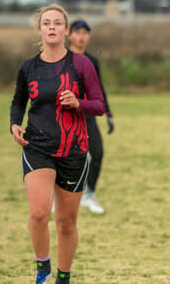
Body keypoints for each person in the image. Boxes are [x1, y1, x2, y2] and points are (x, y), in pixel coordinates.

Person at [10, 4, 105, 284]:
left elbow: (99, 105)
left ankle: (63, 277)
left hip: (74, 150)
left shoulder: (81, 65)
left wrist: (79, 103)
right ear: (39, 30)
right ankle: (42, 269)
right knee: (39, 213)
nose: (52, 27)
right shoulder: (29, 67)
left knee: (66, 223)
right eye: (47, 23)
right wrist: (14, 124)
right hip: (37, 146)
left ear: (66, 30)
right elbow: (18, 102)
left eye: (58, 23)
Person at [67, 20, 114, 215]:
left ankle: (89, 194)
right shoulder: (62, 59)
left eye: (86, 33)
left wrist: (108, 113)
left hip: (88, 115)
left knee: (98, 153)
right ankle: (58, 196)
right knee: (67, 158)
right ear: (69, 34)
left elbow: (99, 89)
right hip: (67, 116)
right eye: (78, 32)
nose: (82, 36)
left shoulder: (92, 61)